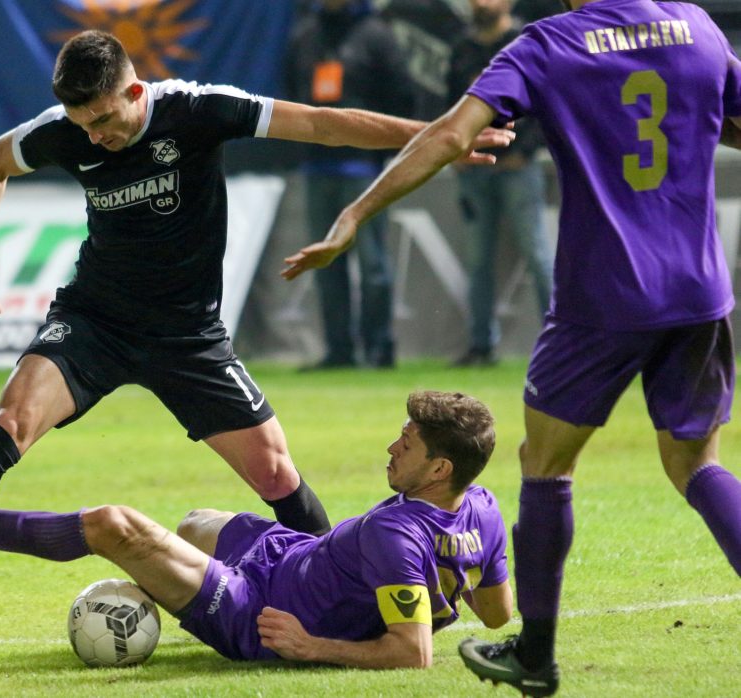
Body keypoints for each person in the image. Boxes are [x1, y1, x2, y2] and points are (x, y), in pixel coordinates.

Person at [0, 29, 514, 630]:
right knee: (11, 421)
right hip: (94, 322)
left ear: (134, 91)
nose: (94, 137)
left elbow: (323, 124)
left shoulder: (198, 110)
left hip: (188, 337)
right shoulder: (64, 131)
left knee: (275, 473)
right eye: (82, 125)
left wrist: (442, 137)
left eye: (104, 120)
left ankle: (347, 599)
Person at [282, 1, 741, 695]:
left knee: (546, 466)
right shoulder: (697, 27)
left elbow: (449, 135)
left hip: (603, 296)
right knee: (696, 465)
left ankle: (536, 655)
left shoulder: (550, 44)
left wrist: (355, 213)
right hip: (700, 291)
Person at [0, 391, 513, 668]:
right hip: (292, 554)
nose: (392, 448)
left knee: (116, 526)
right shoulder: (481, 508)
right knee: (196, 522)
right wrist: (446, 581)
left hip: (261, 609)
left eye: (407, 444)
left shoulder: (398, 537)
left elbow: (412, 652)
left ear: (439, 469)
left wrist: (312, 645)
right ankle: (164, 584)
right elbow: (494, 613)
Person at [285, 0, 416, 369]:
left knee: (373, 265)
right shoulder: (306, 35)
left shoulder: (376, 35)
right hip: (316, 168)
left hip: (363, 168)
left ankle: (379, 348)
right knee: (324, 265)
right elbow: (291, 92)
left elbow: (402, 95)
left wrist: (385, 148)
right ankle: (339, 350)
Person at [446, 0, 553, 366]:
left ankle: (557, 343)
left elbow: (547, 102)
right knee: (478, 261)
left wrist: (528, 150)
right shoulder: (462, 48)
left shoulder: (526, 42)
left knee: (537, 255)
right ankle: (481, 345)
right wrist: (453, 151)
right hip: (475, 168)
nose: (481, 3)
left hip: (517, 168)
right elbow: (450, 105)